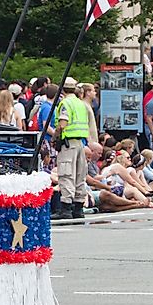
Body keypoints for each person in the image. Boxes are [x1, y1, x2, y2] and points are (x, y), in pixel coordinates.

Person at [52, 79, 93, 220]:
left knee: (66, 174)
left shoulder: (65, 103)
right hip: (80, 143)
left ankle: (66, 208)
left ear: (62, 90)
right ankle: (78, 208)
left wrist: (55, 136)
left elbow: (62, 123)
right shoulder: (81, 104)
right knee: (79, 175)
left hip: (68, 143)